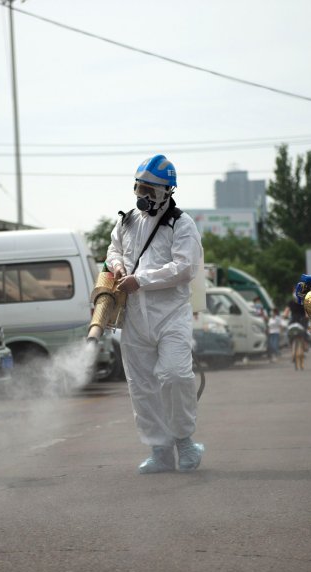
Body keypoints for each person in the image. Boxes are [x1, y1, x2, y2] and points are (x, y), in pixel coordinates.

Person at [106, 154, 205, 474]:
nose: (142, 197)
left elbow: (184, 268)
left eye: (150, 190)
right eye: (139, 188)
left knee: (175, 375)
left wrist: (142, 280)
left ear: (167, 192)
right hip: (134, 316)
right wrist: (117, 265)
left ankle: (185, 440)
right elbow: (113, 250)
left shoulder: (182, 224)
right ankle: (159, 450)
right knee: (142, 385)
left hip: (170, 314)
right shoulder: (126, 221)